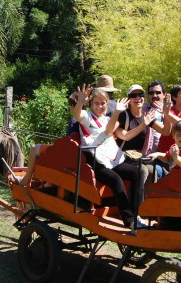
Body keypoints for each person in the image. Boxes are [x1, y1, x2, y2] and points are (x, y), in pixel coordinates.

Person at [70, 85, 147, 230]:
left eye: (103, 103)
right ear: (91, 104)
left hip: (112, 159)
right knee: (115, 180)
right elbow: (77, 115)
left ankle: (137, 213)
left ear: (107, 103)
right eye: (96, 103)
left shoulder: (106, 118)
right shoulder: (87, 117)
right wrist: (80, 101)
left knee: (138, 173)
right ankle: (129, 220)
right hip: (96, 162)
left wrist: (119, 114)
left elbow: (110, 130)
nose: (100, 106)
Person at [115, 84, 163, 184]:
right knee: (142, 171)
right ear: (129, 99)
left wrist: (167, 114)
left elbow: (165, 131)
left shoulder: (146, 116)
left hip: (138, 156)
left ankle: (147, 199)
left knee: (153, 170)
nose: (138, 97)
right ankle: (136, 200)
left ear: (144, 98)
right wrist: (143, 125)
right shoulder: (123, 115)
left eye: (140, 95)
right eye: (133, 95)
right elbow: (125, 136)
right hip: (122, 157)